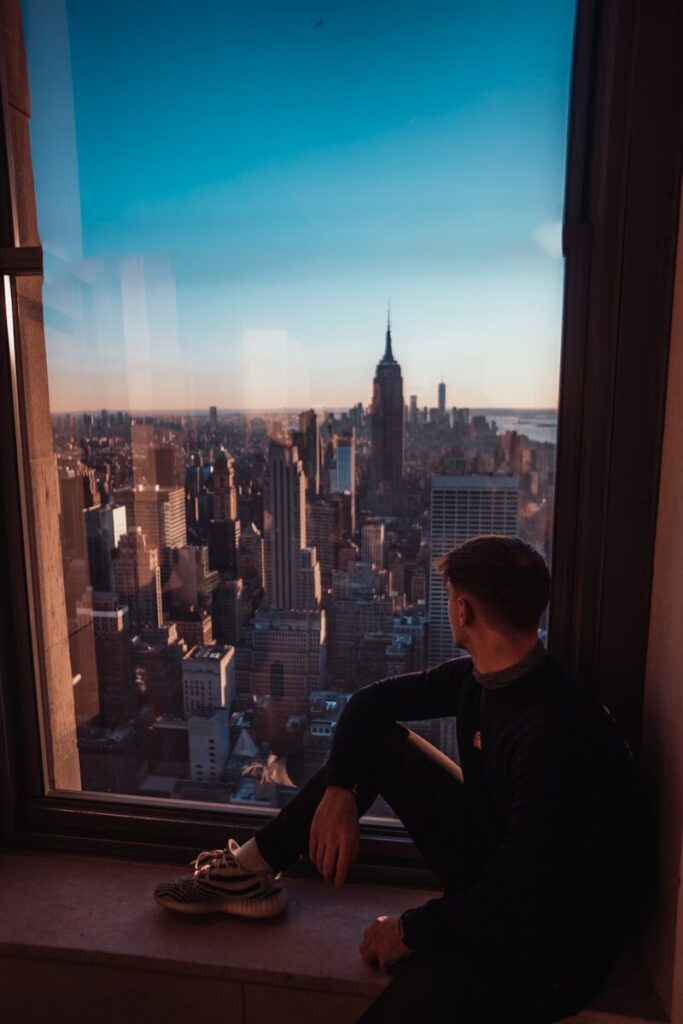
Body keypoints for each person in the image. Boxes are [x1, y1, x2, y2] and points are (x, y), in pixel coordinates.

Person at [154, 535, 646, 1023]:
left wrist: (411, 930)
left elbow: (517, 898)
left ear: (464, 611)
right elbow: (372, 704)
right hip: (503, 877)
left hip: (549, 950)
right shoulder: (492, 677)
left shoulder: (550, 733)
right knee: (379, 744)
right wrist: (340, 790)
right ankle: (250, 869)